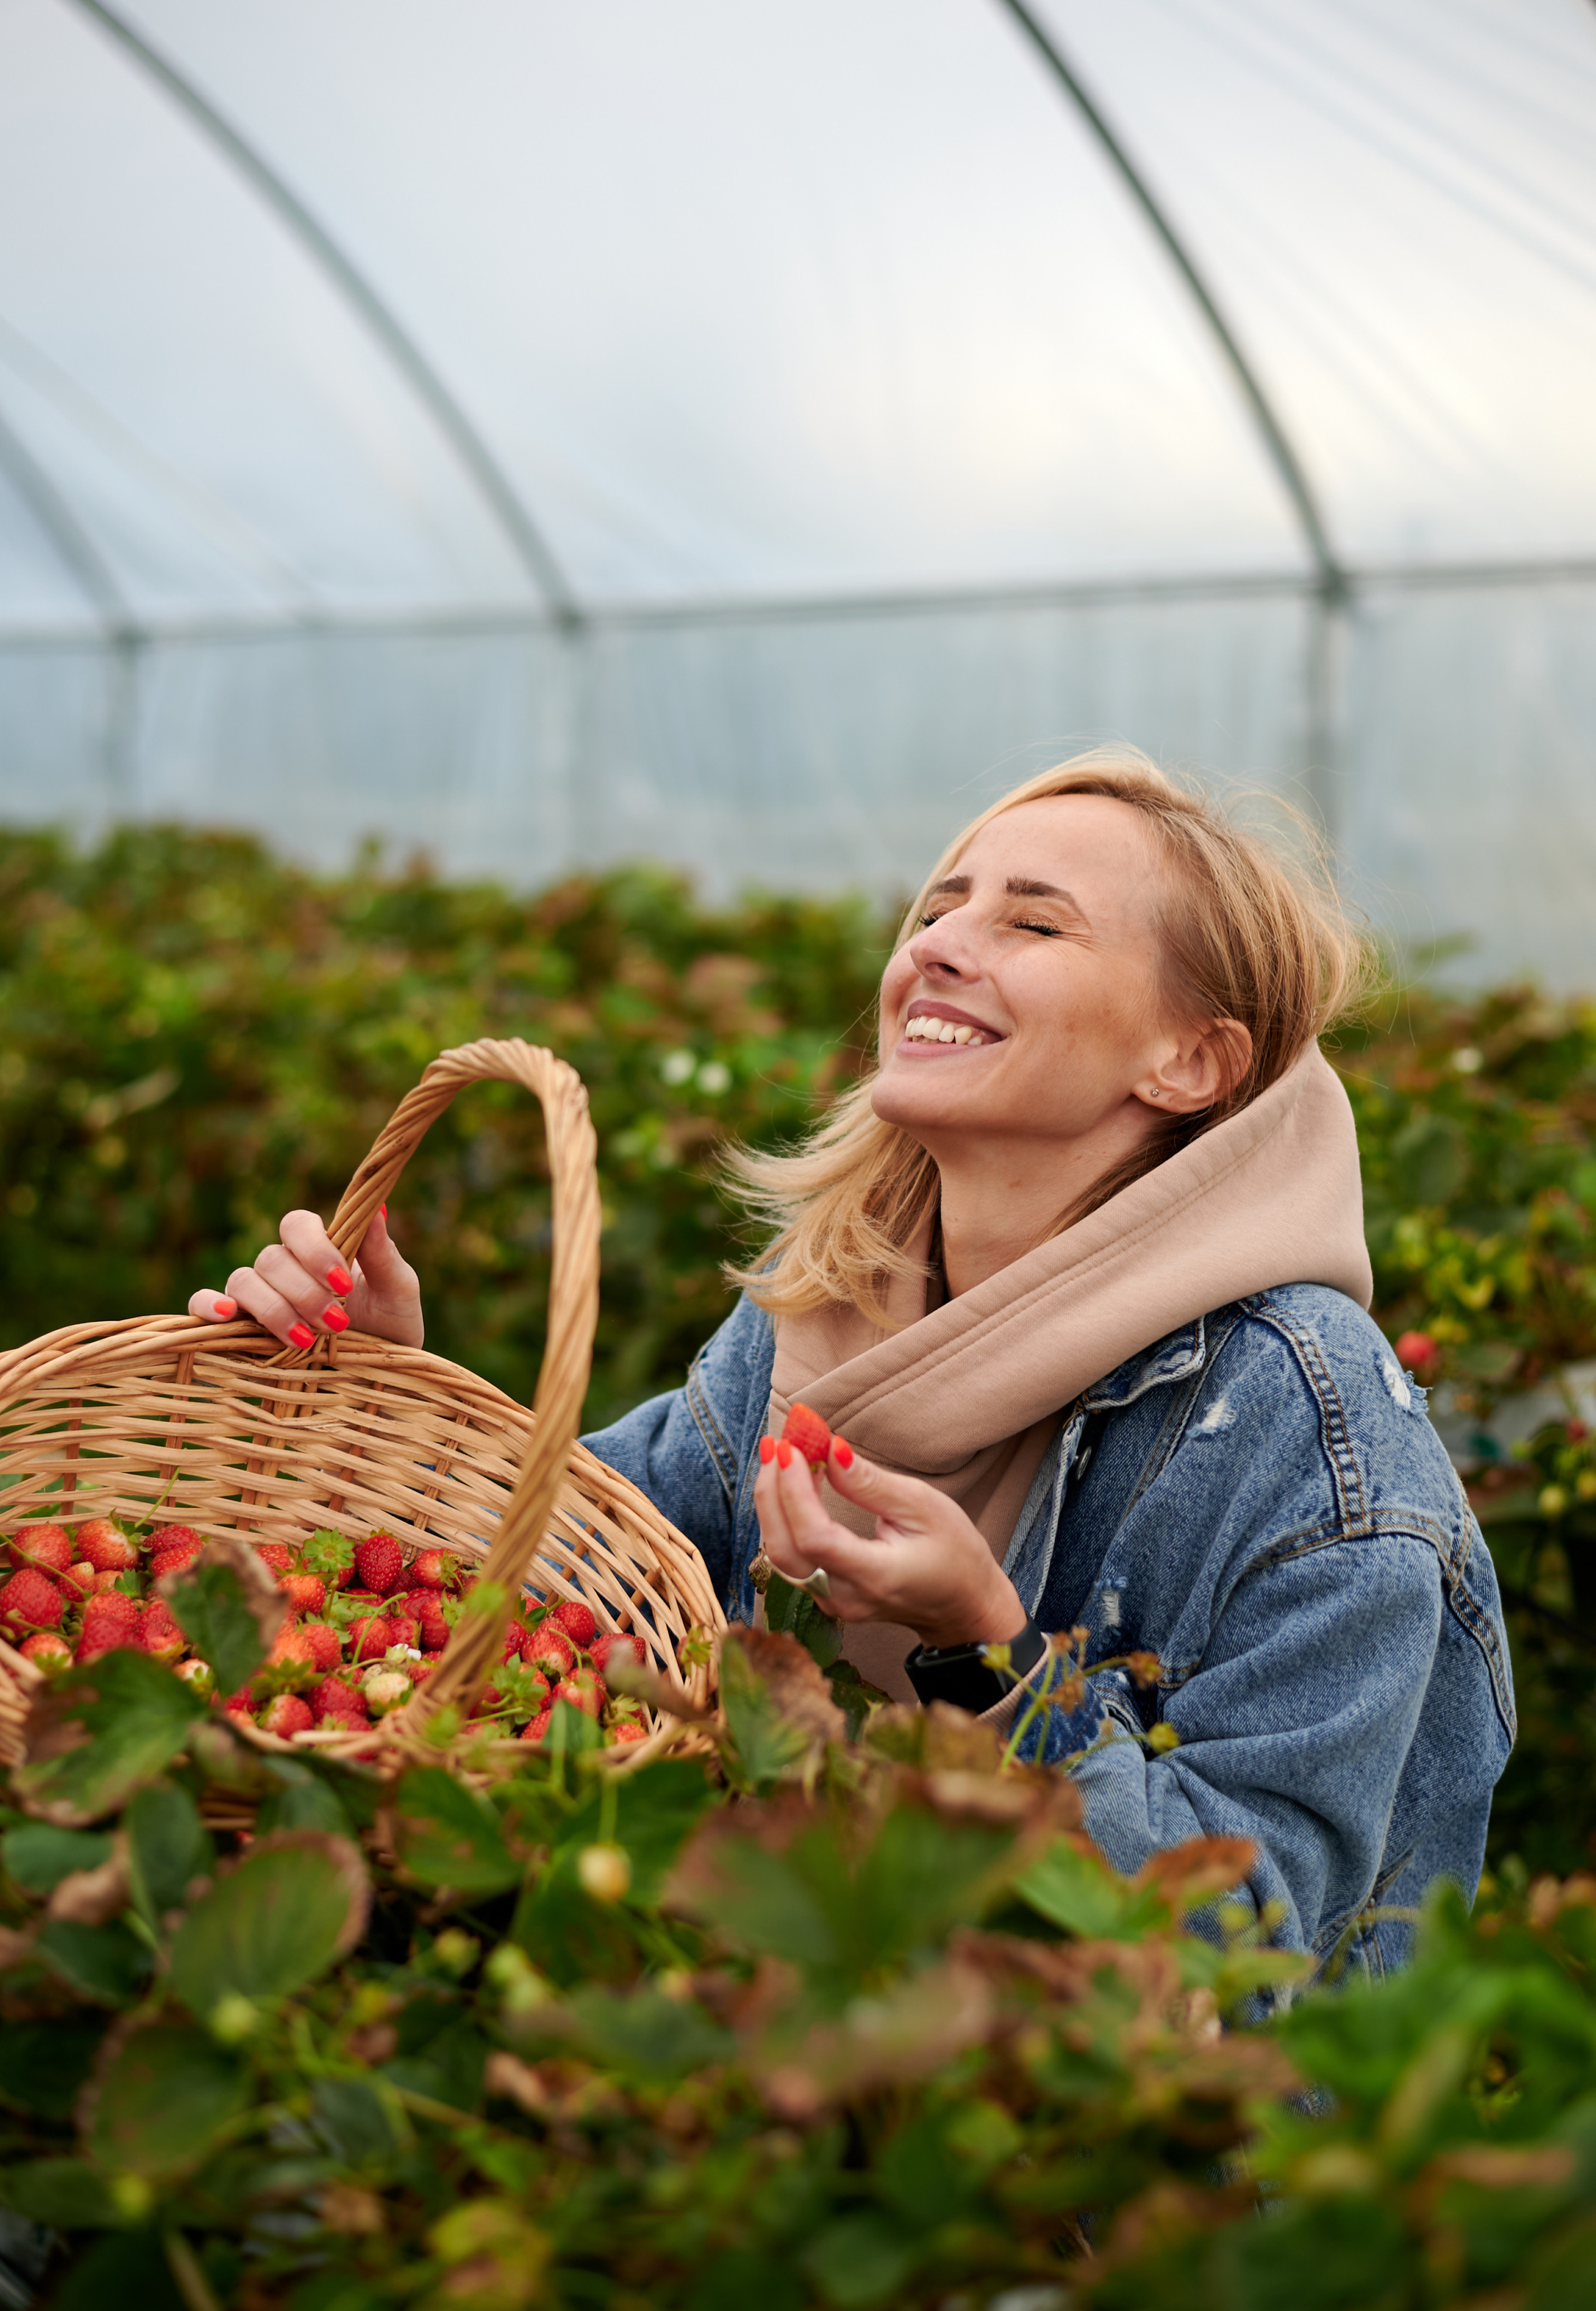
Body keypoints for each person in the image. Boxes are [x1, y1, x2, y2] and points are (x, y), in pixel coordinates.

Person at [190, 754, 1512, 1975]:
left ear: (1189, 1060)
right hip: (797, 2039)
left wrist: (988, 1658)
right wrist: (394, 1400)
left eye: (1033, 924)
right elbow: (573, 1584)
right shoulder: (830, 1310)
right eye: (937, 908)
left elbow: (1248, 1947)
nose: (935, 945)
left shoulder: (1300, 1415)